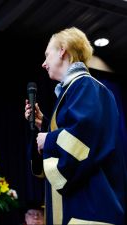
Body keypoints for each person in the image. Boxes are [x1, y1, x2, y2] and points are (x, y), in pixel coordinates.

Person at [24, 27, 127, 224]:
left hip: (91, 206)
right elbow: (77, 133)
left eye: (47, 54)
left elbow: (82, 140)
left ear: (62, 50)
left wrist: (49, 139)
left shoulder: (85, 86)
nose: (43, 63)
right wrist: (43, 126)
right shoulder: (76, 90)